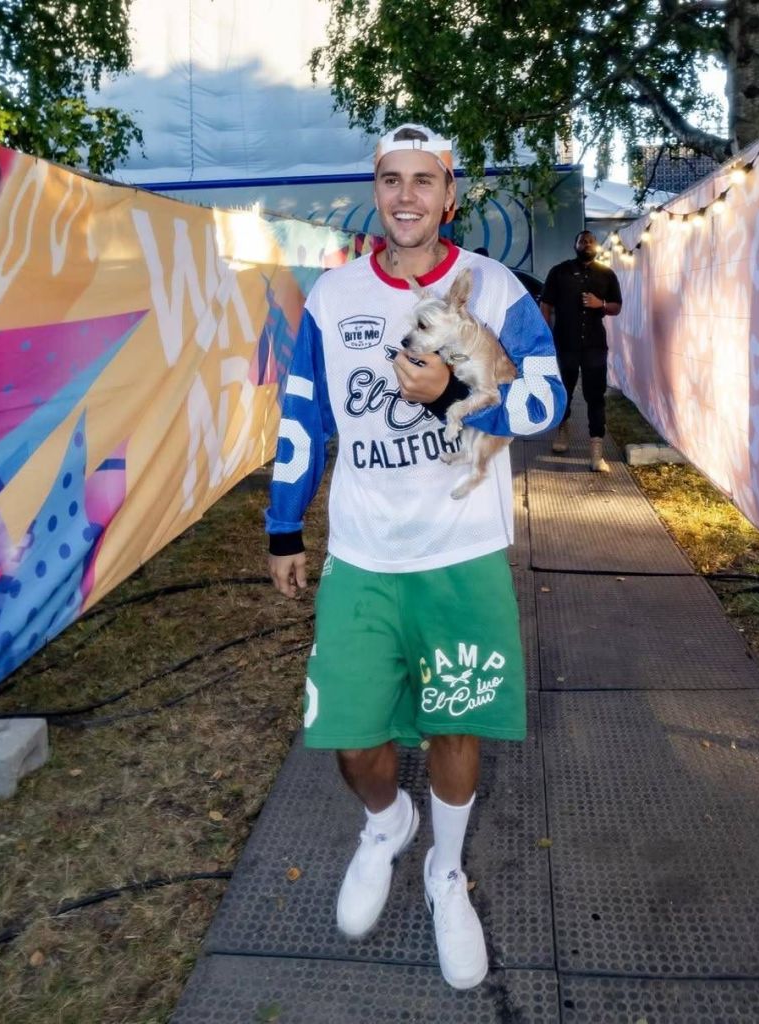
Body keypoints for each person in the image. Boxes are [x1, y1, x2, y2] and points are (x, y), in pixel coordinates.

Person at [266, 124, 566, 990]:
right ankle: (388, 822)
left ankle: (445, 871)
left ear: (450, 193)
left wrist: (452, 401)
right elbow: (302, 415)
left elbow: (544, 398)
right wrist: (285, 527)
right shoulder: (332, 296)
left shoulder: (499, 289)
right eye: (391, 180)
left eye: (424, 181)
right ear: (377, 189)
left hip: (462, 554)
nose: (406, 197)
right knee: (352, 739)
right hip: (361, 555)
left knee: (454, 726)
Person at [540, 229, 622, 471]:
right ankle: (561, 431)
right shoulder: (559, 272)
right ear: (574, 244)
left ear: (596, 246)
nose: (586, 244)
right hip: (565, 343)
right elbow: (545, 304)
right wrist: (546, 336)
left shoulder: (606, 274)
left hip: (595, 345)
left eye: (590, 241)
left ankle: (597, 453)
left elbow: (617, 307)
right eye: (582, 240)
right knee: (564, 391)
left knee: (595, 396)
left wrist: (601, 304)